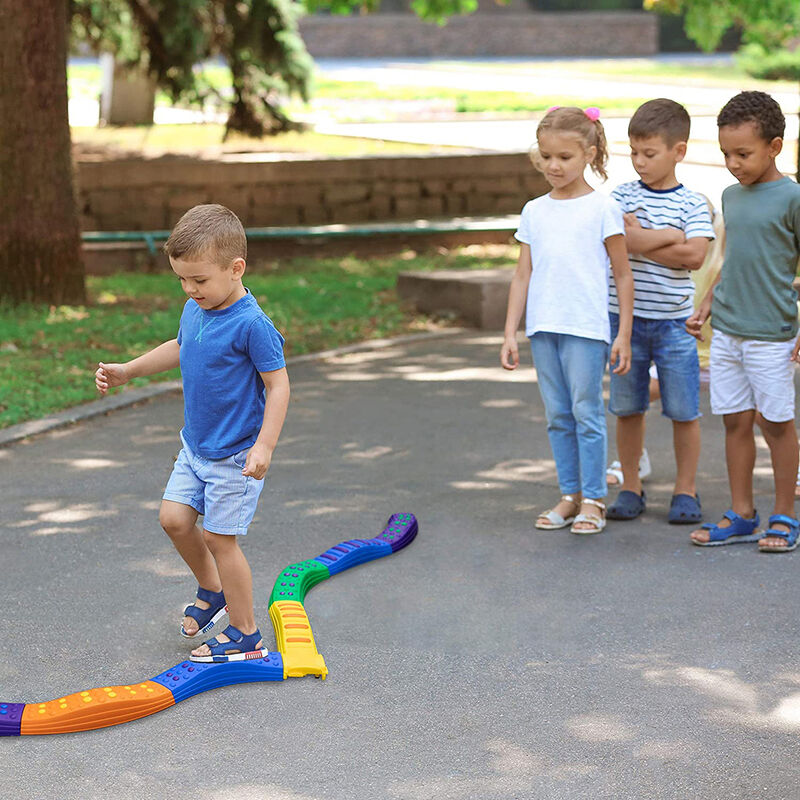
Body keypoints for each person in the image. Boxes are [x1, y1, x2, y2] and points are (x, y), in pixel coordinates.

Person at [95, 204, 291, 657]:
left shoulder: (252, 324)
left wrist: (265, 445)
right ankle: (213, 589)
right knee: (175, 519)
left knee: (220, 538)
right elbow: (181, 347)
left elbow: (278, 386)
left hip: (235, 457)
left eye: (199, 279)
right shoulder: (195, 309)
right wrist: (130, 370)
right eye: (181, 279)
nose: (189, 288)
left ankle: (246, 634)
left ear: (235, 268)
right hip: (197, 449)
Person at [501, 106, 634, 535]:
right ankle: (569, 494)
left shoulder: (602, 208)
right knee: (558, 415)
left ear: (589, 154)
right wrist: (510, 332)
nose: (554, 166)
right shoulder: (534, 210)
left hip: (586, 329)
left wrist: (624, 334)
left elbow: (622, 273)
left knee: (586, 412)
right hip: (543, 328)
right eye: (546, 156)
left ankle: (594, 499)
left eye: (565, 157)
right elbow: (523, 273)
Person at [687, 91, 800, 552]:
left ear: (774, 146)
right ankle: (742, 514)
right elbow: (731, 259)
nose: (733, 164)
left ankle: (785, 515)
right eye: (725, 154)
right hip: (729, 330)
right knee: (735, 422)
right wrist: (708, 302)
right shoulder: (731, 196)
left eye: (743, 154)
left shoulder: (792, 197)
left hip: (771, 333)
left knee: (776, 425)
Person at [604, 99, 715, 525]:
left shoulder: (692, 203)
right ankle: (631, 485)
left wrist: (642, 234)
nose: (639, 162)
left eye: (649, 154)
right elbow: (619, 243)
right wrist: (666, 237)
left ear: (679, 152)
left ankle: (685, 489)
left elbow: (694, 256)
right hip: (624, 322)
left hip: (675, 324)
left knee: (684, 410)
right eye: (633, 153)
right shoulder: (621, 195)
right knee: (628, 408)